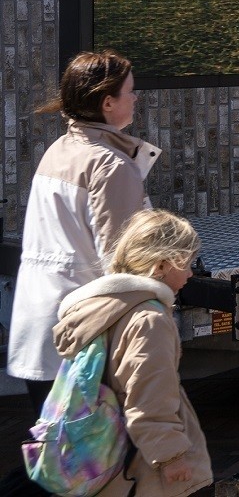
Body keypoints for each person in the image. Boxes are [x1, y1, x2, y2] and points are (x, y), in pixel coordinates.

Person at [8, 50, 156, 416]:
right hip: (82, 336)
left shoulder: (60, 149)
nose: (136, 98)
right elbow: (122, 262)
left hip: (42, 325)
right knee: (89, 463)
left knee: (59, 459)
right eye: (130, 91)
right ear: (108, 102)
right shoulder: (109, 164)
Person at [50, 209, 214, 496]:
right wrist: (171, 457)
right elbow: (148, 395)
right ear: (161, 264)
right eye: (186, 262)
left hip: (109, 457)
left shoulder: (105, 306)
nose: (190, 272)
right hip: (143, 467)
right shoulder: (149, 321)